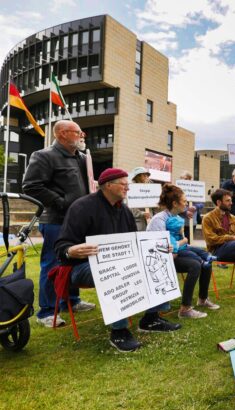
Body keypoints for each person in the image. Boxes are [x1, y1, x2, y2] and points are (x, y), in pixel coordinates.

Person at [54, 168, 181, 352]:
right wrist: (71, 250)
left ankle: (151, 319)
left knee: (155, 261)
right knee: (118, 270)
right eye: (124, 184)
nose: (127, 188)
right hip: (79, 266)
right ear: (108, 185)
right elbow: (61, 247)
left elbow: (135, 243)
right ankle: (119, 331)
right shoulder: (81, 207)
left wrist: (158, 248)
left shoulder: (125, 212)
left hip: (116, 263)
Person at [22, 120, 95, 328]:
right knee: (53, 263)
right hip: (56, 220)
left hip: (79, 221)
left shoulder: (82, 158)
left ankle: (71, 300)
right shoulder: (44, 156)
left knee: (76, 260)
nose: (82, 135)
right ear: (62, 134)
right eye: (78, 132)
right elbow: (31, 186)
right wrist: (61, 203)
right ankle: (46, 311)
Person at [147, 183, 219, 319]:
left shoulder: (174, 217)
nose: (186, 204)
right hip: (162, 260)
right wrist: (182, 242)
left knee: (206, 262)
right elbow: (162, 249)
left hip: (175, 253)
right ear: (175, 203)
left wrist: (180, 243)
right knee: (195, 264)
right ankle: (185, 309)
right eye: (184, 201)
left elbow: (175, 245)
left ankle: (202, 299)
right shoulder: (159, 220)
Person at [179, 170, 203, 243]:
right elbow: (175, 205)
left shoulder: (196, 189)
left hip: (192, 221)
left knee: (189, 241)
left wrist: (195, 207)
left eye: (188, 179)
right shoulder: (177, 191)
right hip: (180, 221)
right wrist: (185, 212)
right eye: (184, 179)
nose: (186, 180)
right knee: (181, 242)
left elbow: (201, 204)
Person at [128, 166, 153, 231]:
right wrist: (141, 213)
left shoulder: (150, 189)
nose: (146, 177)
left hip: (150, 221)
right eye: (144, 175)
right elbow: (130, 208)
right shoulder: (131, 189)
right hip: (138, 222)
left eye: (147, 175)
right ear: (138, 176)